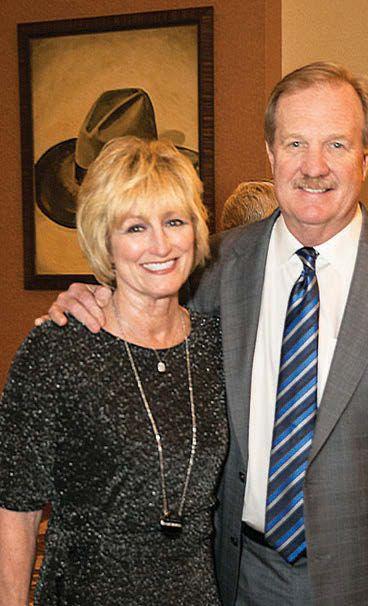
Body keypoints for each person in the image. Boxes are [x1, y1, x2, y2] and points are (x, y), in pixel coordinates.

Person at [43, 62, 368, 605]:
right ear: (271, 153)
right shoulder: (210, 266)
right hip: (237, 576)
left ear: (366, 157)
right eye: (296, 143)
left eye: (337, 144)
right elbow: (143, 328)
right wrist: (93, 303)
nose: (314, 167)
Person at [0, 137, 227, 605]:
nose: (160, 244)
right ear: (105, 240)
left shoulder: (216, 345)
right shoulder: (58, 349)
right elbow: (16, 510)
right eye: (135, 227)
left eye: (174, 221)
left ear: (196, 229)